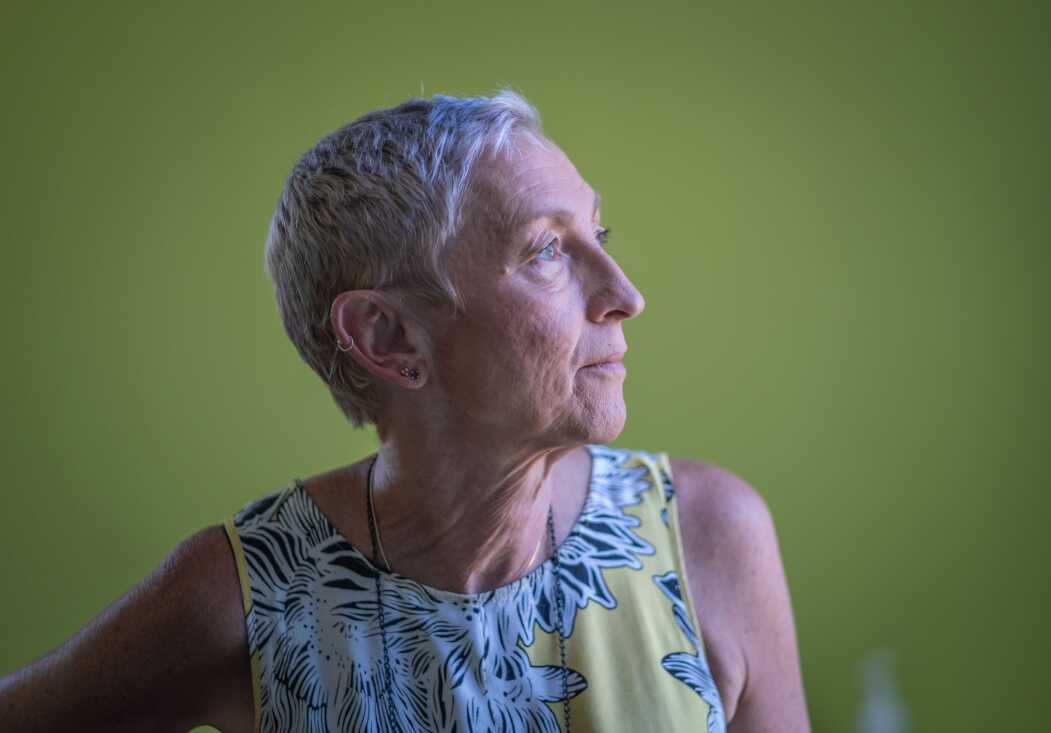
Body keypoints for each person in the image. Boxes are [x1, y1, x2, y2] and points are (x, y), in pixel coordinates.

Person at [0, 90, 810, 732]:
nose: (625, 294)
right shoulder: (246, 596)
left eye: (600, 232)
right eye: (546, 250)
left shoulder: (709, 537)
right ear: (389, 338)